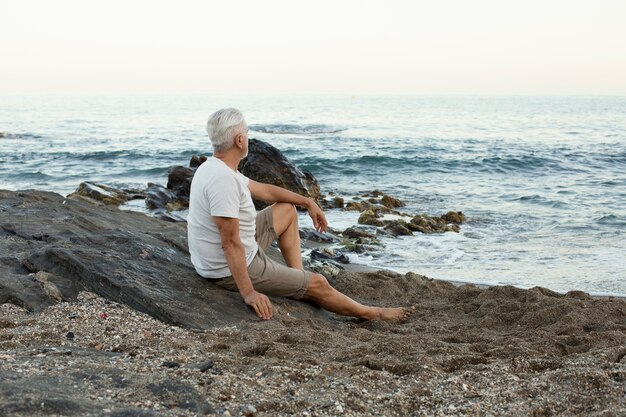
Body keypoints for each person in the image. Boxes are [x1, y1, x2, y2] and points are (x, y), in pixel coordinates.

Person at [187, 108, 412, 322]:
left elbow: (264, 190)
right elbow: (230, 243)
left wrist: (308, 201)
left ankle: (297, 279)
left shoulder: (215, 167)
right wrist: (249, 293)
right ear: (239, 140)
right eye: (246, 132)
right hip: (229, 267)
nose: (247, 136)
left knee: (287, 209)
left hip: (236, 250)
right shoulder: (223, 180)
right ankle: (372, 313)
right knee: (319, 283)